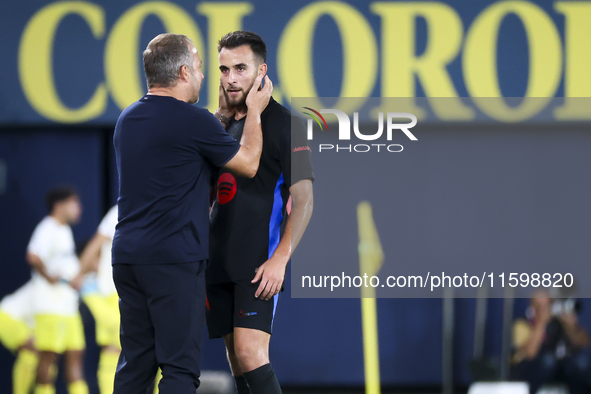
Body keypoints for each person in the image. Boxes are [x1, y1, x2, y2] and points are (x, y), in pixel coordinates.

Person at [112, 32, 272, 394]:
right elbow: (246, 163)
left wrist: (217, 117)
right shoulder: (192, 120)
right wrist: (256, 112)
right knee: (180, 370)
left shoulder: (128, 118)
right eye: (201, 68)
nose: (206, 77)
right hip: (174, 260)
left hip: (128, 259)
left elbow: (182, 152)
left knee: (136, 365)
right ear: (184, 73)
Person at [206, 31, 314, 394]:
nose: (231, 78)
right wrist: (219, 119)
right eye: (224, 69)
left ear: (261, 70)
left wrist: (281, 258)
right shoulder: (217, 124)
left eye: (240, 67)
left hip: (258, 263)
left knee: (250, 352)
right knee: (237, 361)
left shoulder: (287, 123)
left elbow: (304, 199)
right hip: (216, 261)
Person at [26, 186, 88, 394]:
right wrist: (49, 277)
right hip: (50, 306)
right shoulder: (48, 227)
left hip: (67, 307)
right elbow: (33, 256)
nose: (79, 208)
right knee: (48, 357)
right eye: (74, 203)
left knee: (76, 354)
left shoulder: (64, 230)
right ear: (59, 206)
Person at [70, 205, 120, 394]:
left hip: (117, 292)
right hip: (135, 291)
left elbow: (97, 242)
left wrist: (78, 276)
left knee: (113, 350)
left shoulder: (121, 207)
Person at [512, 289, 591, 394]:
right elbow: (530, 353)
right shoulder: (523, 324)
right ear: (533, 306)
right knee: (548, 360)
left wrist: (570, 326)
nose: (546, 309)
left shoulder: (558, 321)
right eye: (541, 306)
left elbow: (584, 343)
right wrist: (541, 322)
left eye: (549, 304)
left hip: (559, 371)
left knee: (581, 362)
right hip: (532, 371)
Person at [0, 280, 38, 394]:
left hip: (20, 322)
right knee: (35, 353)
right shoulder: (46, 287)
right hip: (6, 317)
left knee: (35, 356)